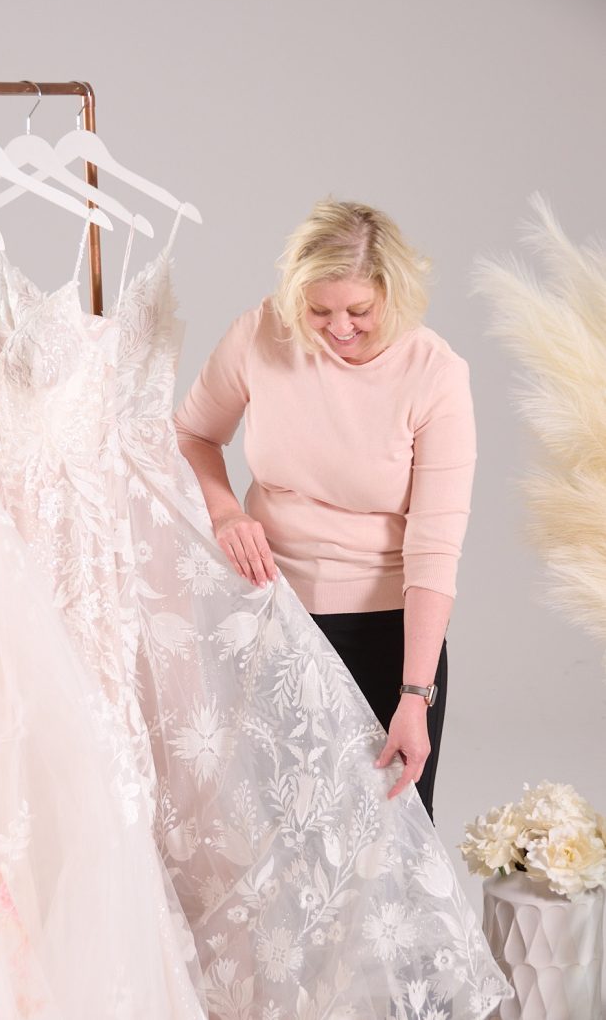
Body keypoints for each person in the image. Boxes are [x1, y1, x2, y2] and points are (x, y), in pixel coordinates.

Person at [174, 198, 476, 822]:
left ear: (395, 293)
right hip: (266, 611)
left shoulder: (435, 375)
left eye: (359, 311)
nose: (339, 328)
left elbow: (434, 549)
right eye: (319, 310)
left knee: (385, 841)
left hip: (384, 630)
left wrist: (414, 695)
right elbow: (191, 434)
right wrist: (227, 512)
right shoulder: (262, 332)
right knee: (271, 833)